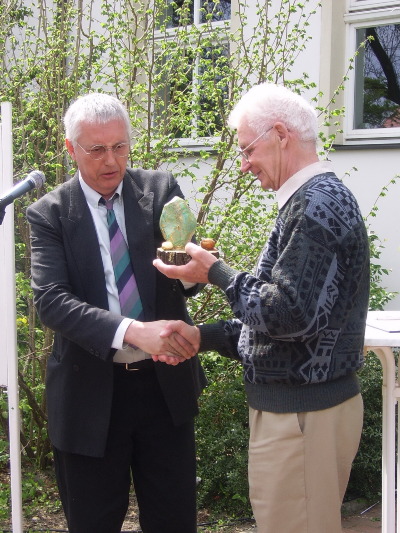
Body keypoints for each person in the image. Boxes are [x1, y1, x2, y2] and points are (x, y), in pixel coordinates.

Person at [154, 82, 370, 533]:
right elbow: (287, 324)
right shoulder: (312, 201)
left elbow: (285, 314)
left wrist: (215, 272)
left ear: (280, 134)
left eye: (247, 149)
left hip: (302, 421)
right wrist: (204, 337)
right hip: (302, 417)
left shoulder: (313, 207)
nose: (244, 164)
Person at [26, 92, 206, 533]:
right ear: (71, 149)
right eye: (97, 149)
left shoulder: (160, 190)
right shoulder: (49, 213)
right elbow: (51, 300)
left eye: (120, 146)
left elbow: (189, 278)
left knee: (173, 522)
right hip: (89, 395)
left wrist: (191, 269)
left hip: (164, 389)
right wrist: (131, 331)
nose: (112, 160)